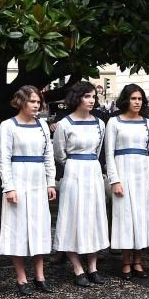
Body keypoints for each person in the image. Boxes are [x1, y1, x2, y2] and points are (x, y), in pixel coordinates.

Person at [0, 86, 57, 295]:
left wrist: (51, 182)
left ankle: (40, 276)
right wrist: (9, 187)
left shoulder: (42, 124)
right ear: (21, 102)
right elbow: (4, 159)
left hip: (38, 179)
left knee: (39, 226)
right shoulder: (7, 126)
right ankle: (21, 278)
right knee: (18, 227)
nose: (36, 105)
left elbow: (48, 154)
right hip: (19, 179)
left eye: (38, 102)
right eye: (32, 101)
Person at [52, 82, 109, 287]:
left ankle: (93, 267)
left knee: (94, 216)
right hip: (74, 171)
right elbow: (59, 153)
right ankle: (77, 268)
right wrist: (74, 165)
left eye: (93, 96)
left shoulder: (100, 124)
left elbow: (99, 148)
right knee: (72, 217)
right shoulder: (65, 124)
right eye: (87, 96)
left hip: (93, 171)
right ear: (77, 98)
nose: (91, 100)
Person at [105, 84, 149, 279]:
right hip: (123, 172)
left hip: (143, 174)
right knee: (125, 217)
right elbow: (109, 154)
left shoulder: (148, 123)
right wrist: (115, 180)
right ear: (126, 100)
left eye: (140, 99)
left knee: (142, 216)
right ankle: (126, 261)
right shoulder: (114, 122)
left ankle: (138, 260)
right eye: (133, 98)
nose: (137, 102)